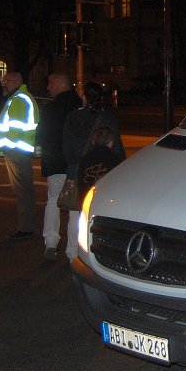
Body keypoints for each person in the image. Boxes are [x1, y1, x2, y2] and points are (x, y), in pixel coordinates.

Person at [63, 82, 125, 261]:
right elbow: (117, 149)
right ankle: (95, 252)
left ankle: (72, 252)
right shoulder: (108, 118)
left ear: (84, 97)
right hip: (104, 171)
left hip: (78, 169)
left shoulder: (73, 117)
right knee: (99, 212)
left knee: (76, 212)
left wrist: (74, 163)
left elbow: (67, 148)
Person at [0, 71, 40, 240]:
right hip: (19, 150)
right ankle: (26, 226)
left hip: (16, 151)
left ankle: (25, 228)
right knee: (24, 190)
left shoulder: (19, 99)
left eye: (7, 81)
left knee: (22, 191)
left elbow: (15, 128)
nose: (5, 84)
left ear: (17, 81)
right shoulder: (21, 97)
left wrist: (6, 147)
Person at [37, 73, 82, 261]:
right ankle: (73, 251)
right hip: (75, 164)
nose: (48, 88)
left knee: (53, 201)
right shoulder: (80, 106)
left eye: (51, 83)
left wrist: (41, 152)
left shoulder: (51, 108)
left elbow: (42, 134)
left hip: (55, 162)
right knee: (75, 207)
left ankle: (51, 242)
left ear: (61, 85)